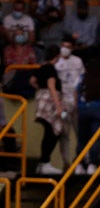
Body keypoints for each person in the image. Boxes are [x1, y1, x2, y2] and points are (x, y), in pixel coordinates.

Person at [31, 46, 68, 176]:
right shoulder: (51, 69)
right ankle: (45, 162)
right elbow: (51, 86)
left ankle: (43, 163)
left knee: (49, 131)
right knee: (53, 132)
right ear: (56, 56)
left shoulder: (41, 67)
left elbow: (32, 81)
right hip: (50, 102)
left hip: (41, 99)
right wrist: (58, 106)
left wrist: (40, 91)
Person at [74, 54, 100, 175]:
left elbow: (75, 93)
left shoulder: (81, 78)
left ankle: (79, 165)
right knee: (95, 139)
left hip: (83, 110)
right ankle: (92, 165)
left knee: (82, 139)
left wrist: (78, 107)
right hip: (99, 110)